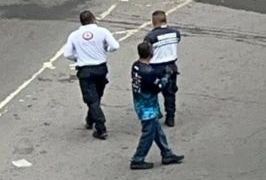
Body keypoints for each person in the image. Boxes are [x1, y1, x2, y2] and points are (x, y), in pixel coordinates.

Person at [63, 10, 119, 140]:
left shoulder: (74, 35)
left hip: (85, 70)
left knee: (91, 98)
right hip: (100, 68)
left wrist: (78, 57)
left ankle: (100, 127)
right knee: (96, 96)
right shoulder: (103, 31)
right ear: (93, 19)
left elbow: (67, 54)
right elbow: (115, 46)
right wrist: (106, 49)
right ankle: (90, 119)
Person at [129, 41, 183, 170]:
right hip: (147, 106)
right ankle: (138, 158)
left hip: (140, 101)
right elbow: (158, 87)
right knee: (148, 133)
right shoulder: (148, 72)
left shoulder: (136, 66)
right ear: (150, 54)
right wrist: (166, 76)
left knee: (157, 131)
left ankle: (166, 153)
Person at [142, 10, 181, 126]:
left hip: (155, 68)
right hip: (171, 67)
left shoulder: (150, 36)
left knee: (151, 91)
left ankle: (155, 112)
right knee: (170, 93)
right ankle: (170, 118)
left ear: (154, 21)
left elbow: (146, 52)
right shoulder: (175, 33)